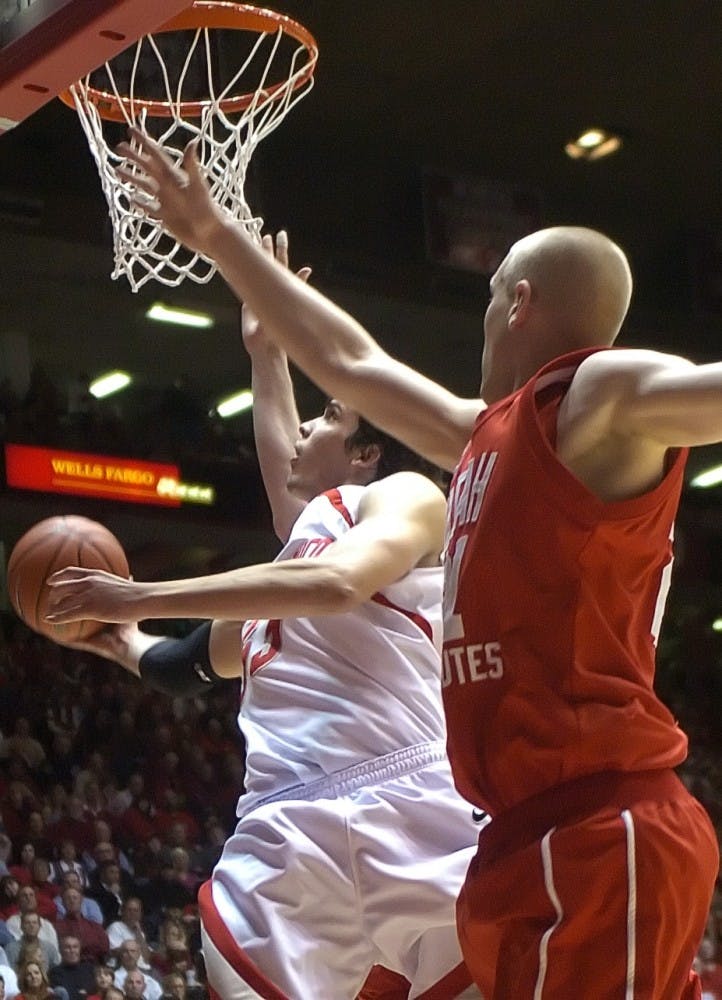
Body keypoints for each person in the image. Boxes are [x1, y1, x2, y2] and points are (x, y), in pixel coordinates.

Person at [91, 130, 722, 998]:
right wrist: (216, 238)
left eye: (491, 293)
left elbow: (697, 395)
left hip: (597, 813)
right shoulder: (488, 438)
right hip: (523, 826)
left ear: (517, 301)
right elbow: (352, 361)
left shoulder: (598, 398)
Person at [45, 238, 482, 997]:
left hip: (404, 797)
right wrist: (110, 636)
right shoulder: (276, 587)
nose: (306, 429)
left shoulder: (408, 497)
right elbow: (178, 666)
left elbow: (339, 580)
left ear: (367, 455)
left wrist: (141, 594)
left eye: (329, 419)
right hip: (284, 833)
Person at [48, 935, 96, 1000]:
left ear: (80, 949)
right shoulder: (54, 973)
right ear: (60, 950)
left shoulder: (90, 969)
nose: (72, 950)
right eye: (67, 947)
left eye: (75, 947)